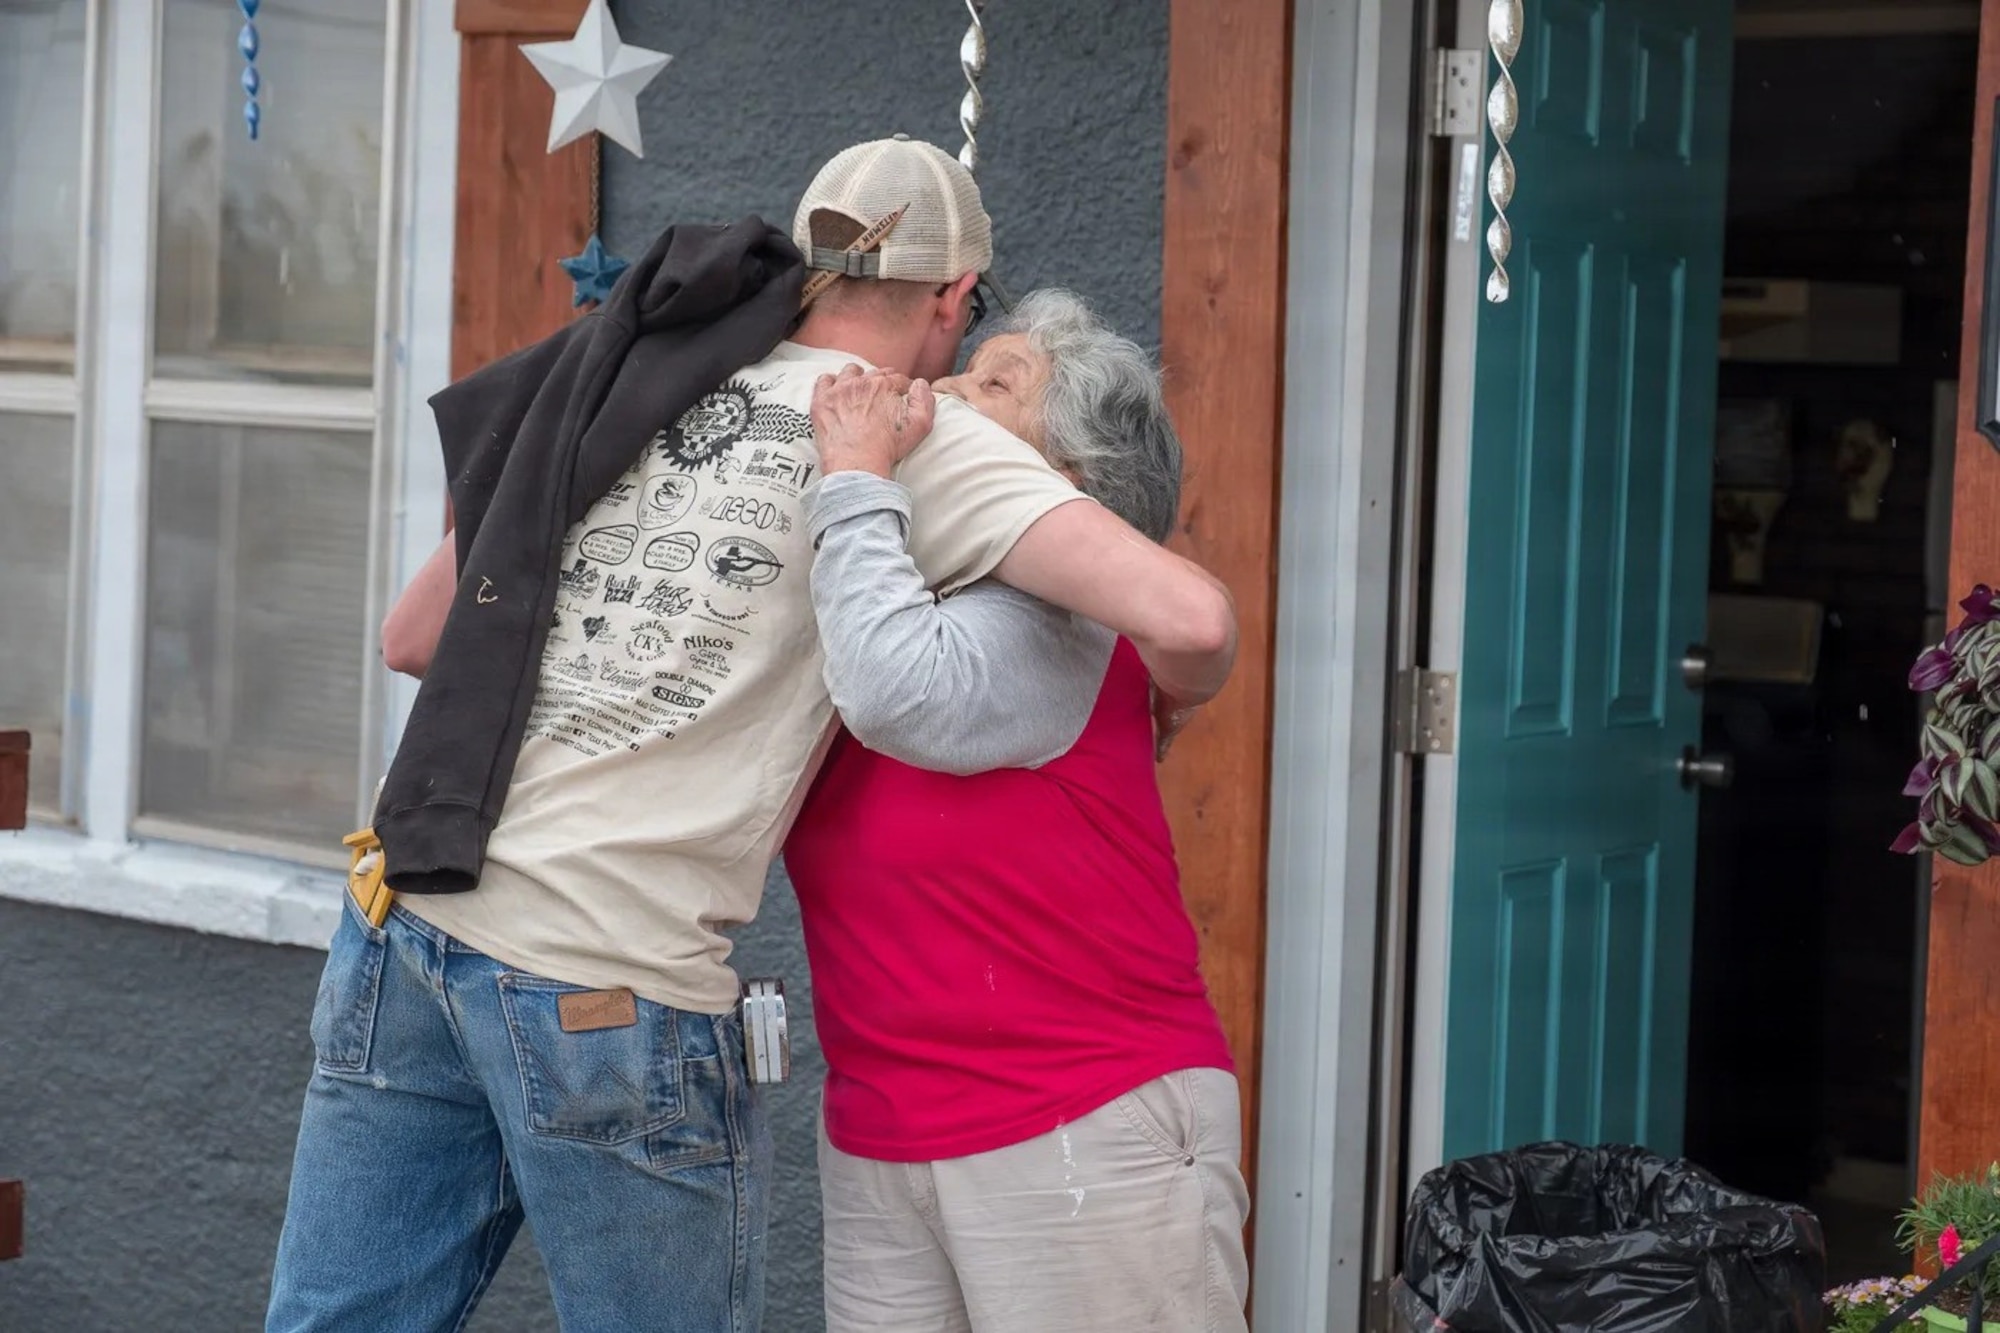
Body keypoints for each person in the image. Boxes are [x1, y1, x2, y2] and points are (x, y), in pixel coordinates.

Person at [265, 137, 1236, 1333]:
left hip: (406, 926)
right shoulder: (914, 435)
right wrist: (1169, 700)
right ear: (947, 298)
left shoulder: (627, 371)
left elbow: (417, 637)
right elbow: (1192, 614)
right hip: (607, 968)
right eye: (970, 339)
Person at [789, 290, 1247, 1333]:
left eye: (991, 385)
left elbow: (898, 690)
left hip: (1080, 1122)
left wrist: (857, 480)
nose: (936, 390)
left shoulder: (1055, 622)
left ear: (1072, 486)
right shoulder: (878, 592)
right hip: (881, 1130)